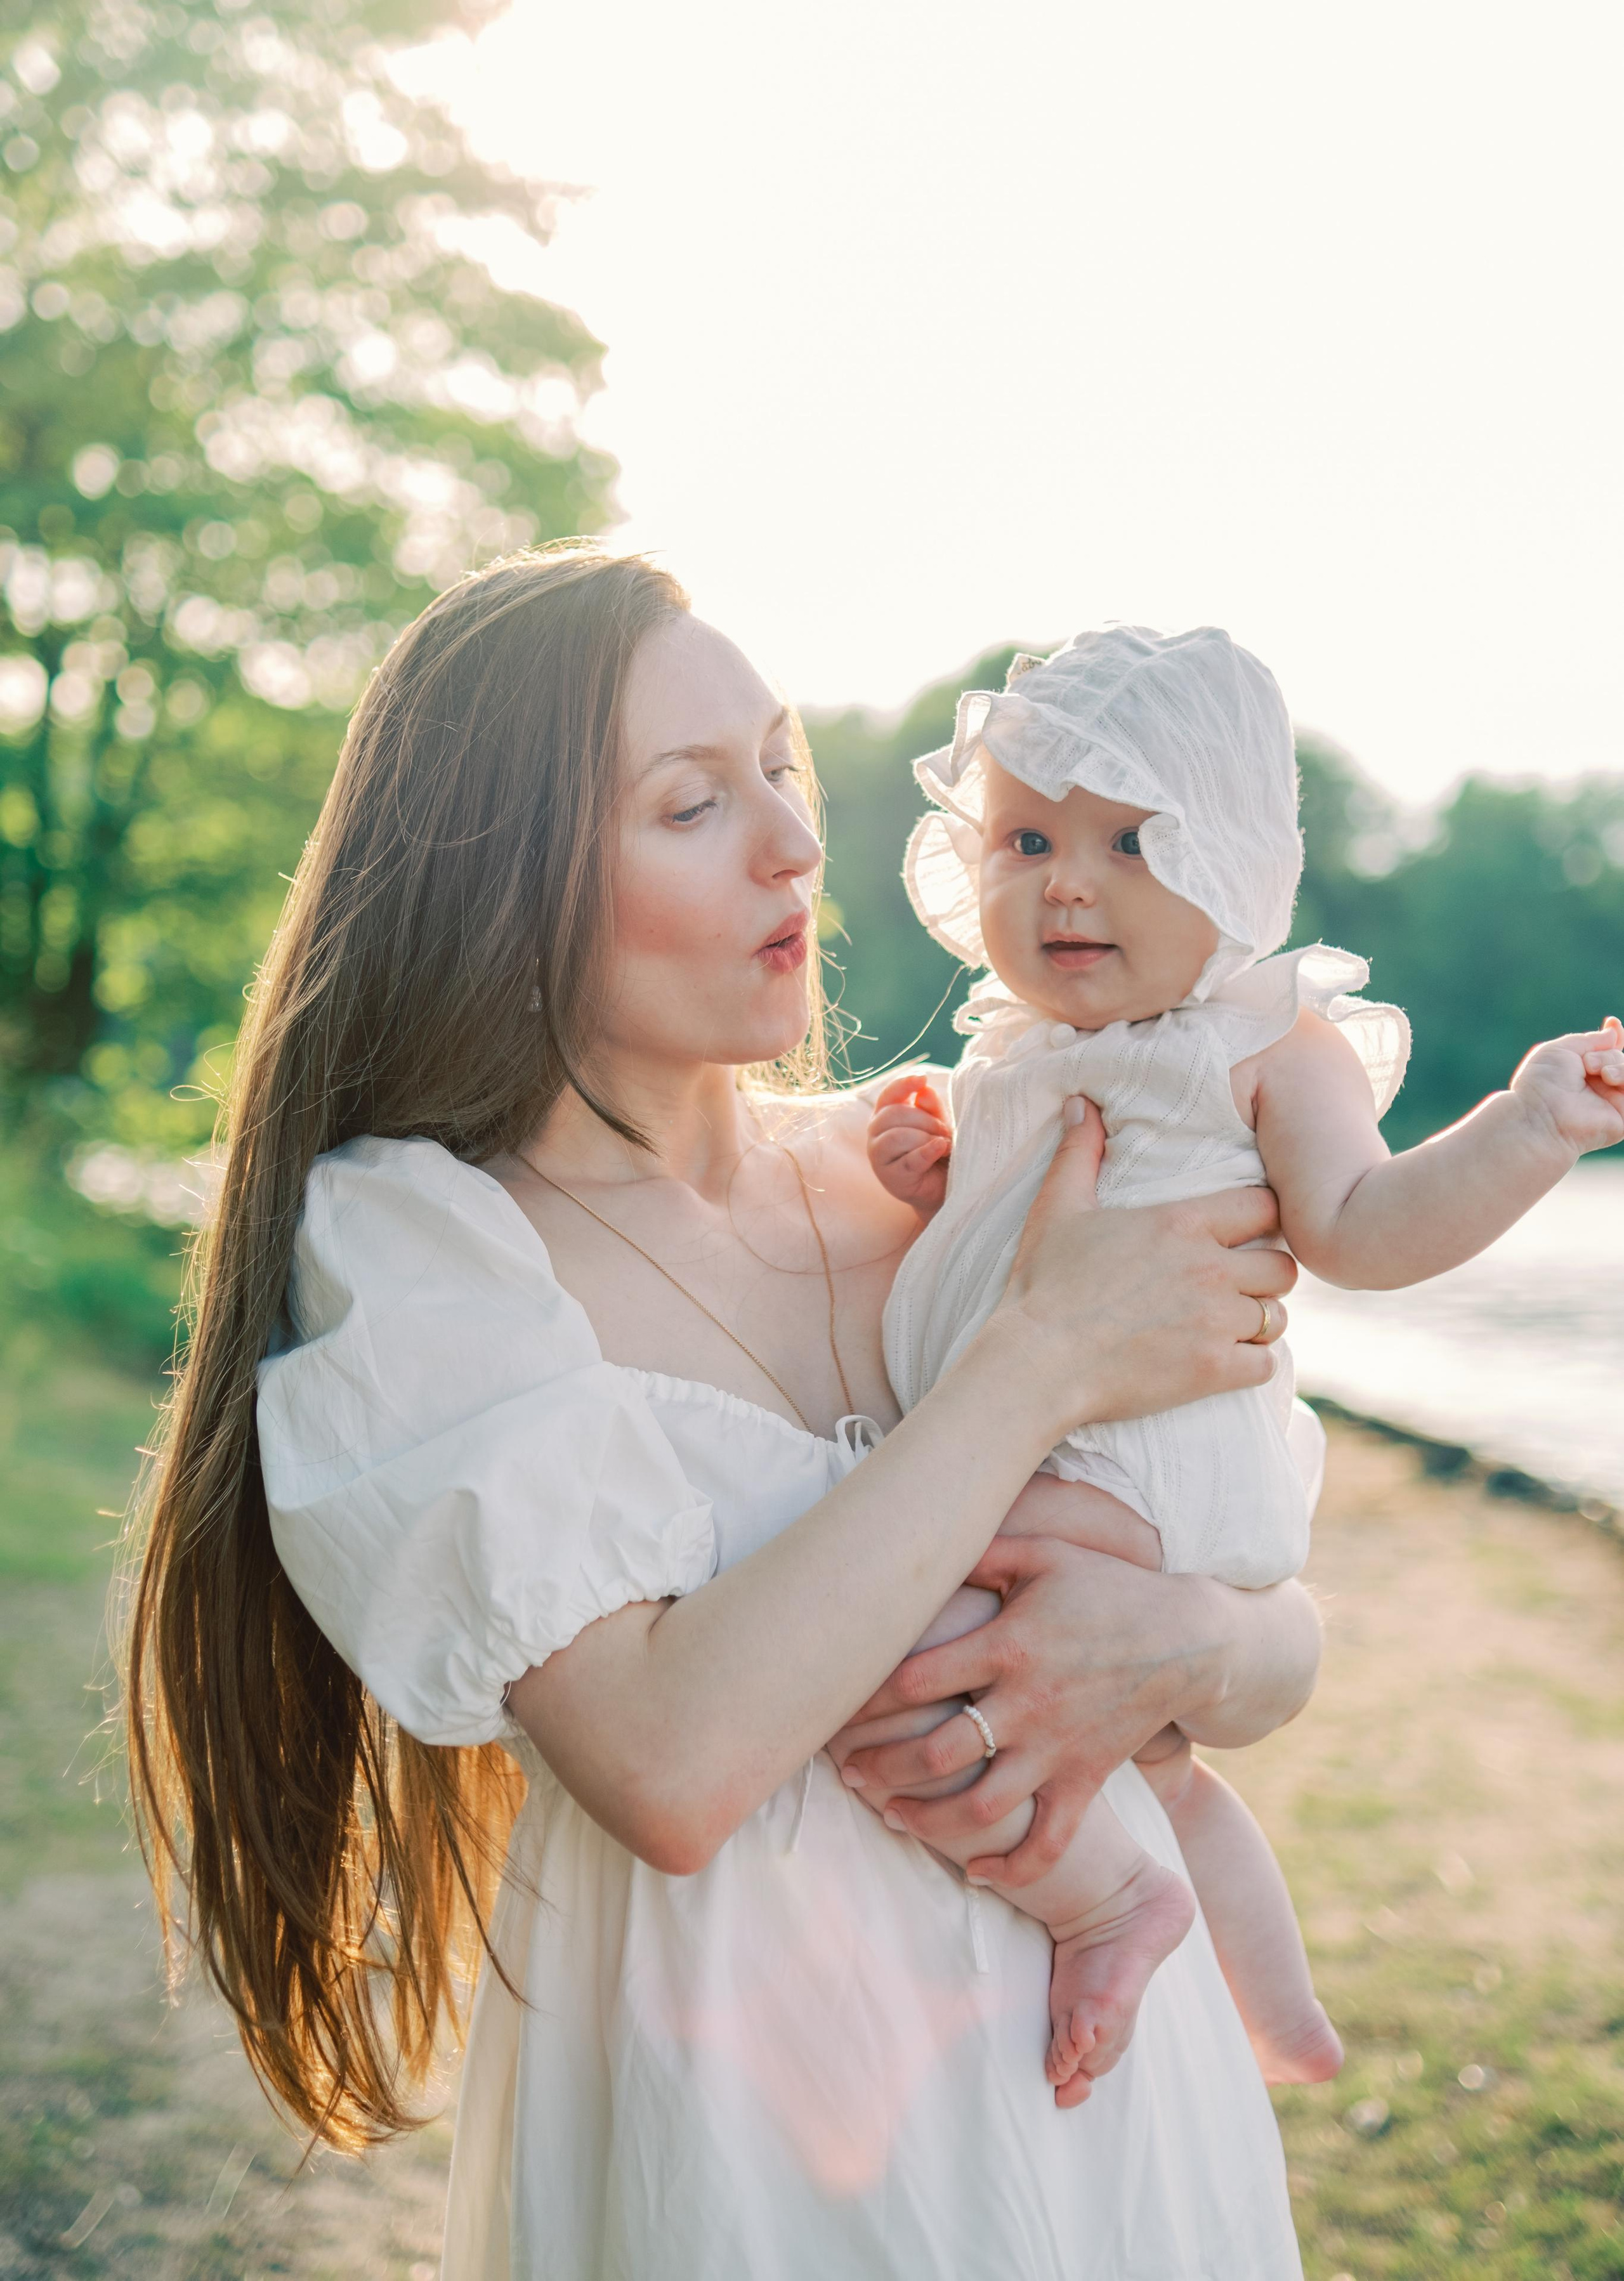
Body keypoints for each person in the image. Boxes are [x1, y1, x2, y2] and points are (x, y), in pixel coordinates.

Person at [125, 549, 1321, 2281]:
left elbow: (1277, 1612)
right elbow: (670, 1767)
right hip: (746, 2151)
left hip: (1116, 2101)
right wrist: (1035, 1367)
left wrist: (1189, 1644)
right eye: (694, 803)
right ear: (501, 881)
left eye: (780, 769)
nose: (791, 845)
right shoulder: (427, 1252)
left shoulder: (939, 1171)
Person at [857, 623, 1624, 2110]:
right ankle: (1273, 2010)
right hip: (1044, 1452)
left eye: (1129, 842)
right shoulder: (1012, 1054)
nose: (1065, 881)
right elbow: (1007, 1247)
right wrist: (933, 1175)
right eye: (1024, 838)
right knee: (1147, 1763)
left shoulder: (1265, 1042)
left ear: (1235, 866)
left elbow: (1363, 1227)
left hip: (1133, 1466)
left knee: (902, 1650)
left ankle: (1108, 1909)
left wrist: (1528, 1125)